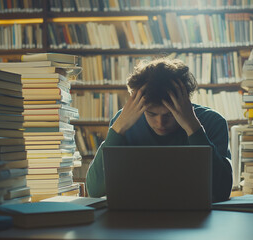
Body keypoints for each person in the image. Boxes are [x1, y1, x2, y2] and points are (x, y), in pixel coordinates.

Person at [86, 58, 233, 202]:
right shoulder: (124, 122)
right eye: (151, 113)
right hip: (135, 218)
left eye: (170, 114)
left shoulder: (212, 122)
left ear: (186, 101)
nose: (160, 122)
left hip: (196, 219)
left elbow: (222, 191)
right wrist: (117, 129)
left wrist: (193, 128)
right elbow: (94, 189)